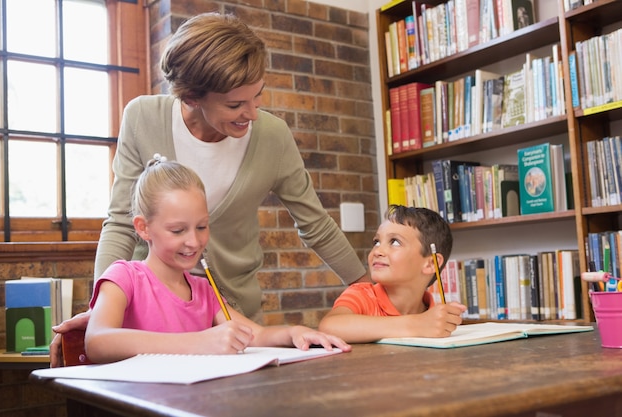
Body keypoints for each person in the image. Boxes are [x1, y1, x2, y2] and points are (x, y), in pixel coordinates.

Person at [50, 12, 369, 366]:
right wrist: (101, 309)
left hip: (232, 320)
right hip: (150, 323)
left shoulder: (273, 137)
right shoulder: (143, 118)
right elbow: (122, 223)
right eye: (235, 105)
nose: (252, 114)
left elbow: (317, 225)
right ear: (191, 97)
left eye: (257, 96)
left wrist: (371, 292)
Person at [85, 157, 350, 363]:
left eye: (201, 227)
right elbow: (97, 341)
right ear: (143, 228)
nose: (194, 241)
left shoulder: (203, 291)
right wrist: (198, 343)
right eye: (178, 230)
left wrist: (293, 333)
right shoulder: (123, 278)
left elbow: (254, 335)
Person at [318, 205, 467, 343]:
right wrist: (416, 325)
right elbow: (330, 327)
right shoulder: (362, 295)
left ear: (430, 264)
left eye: (395, 242)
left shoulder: (432, 313)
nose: (377, 251)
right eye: (376, 242)